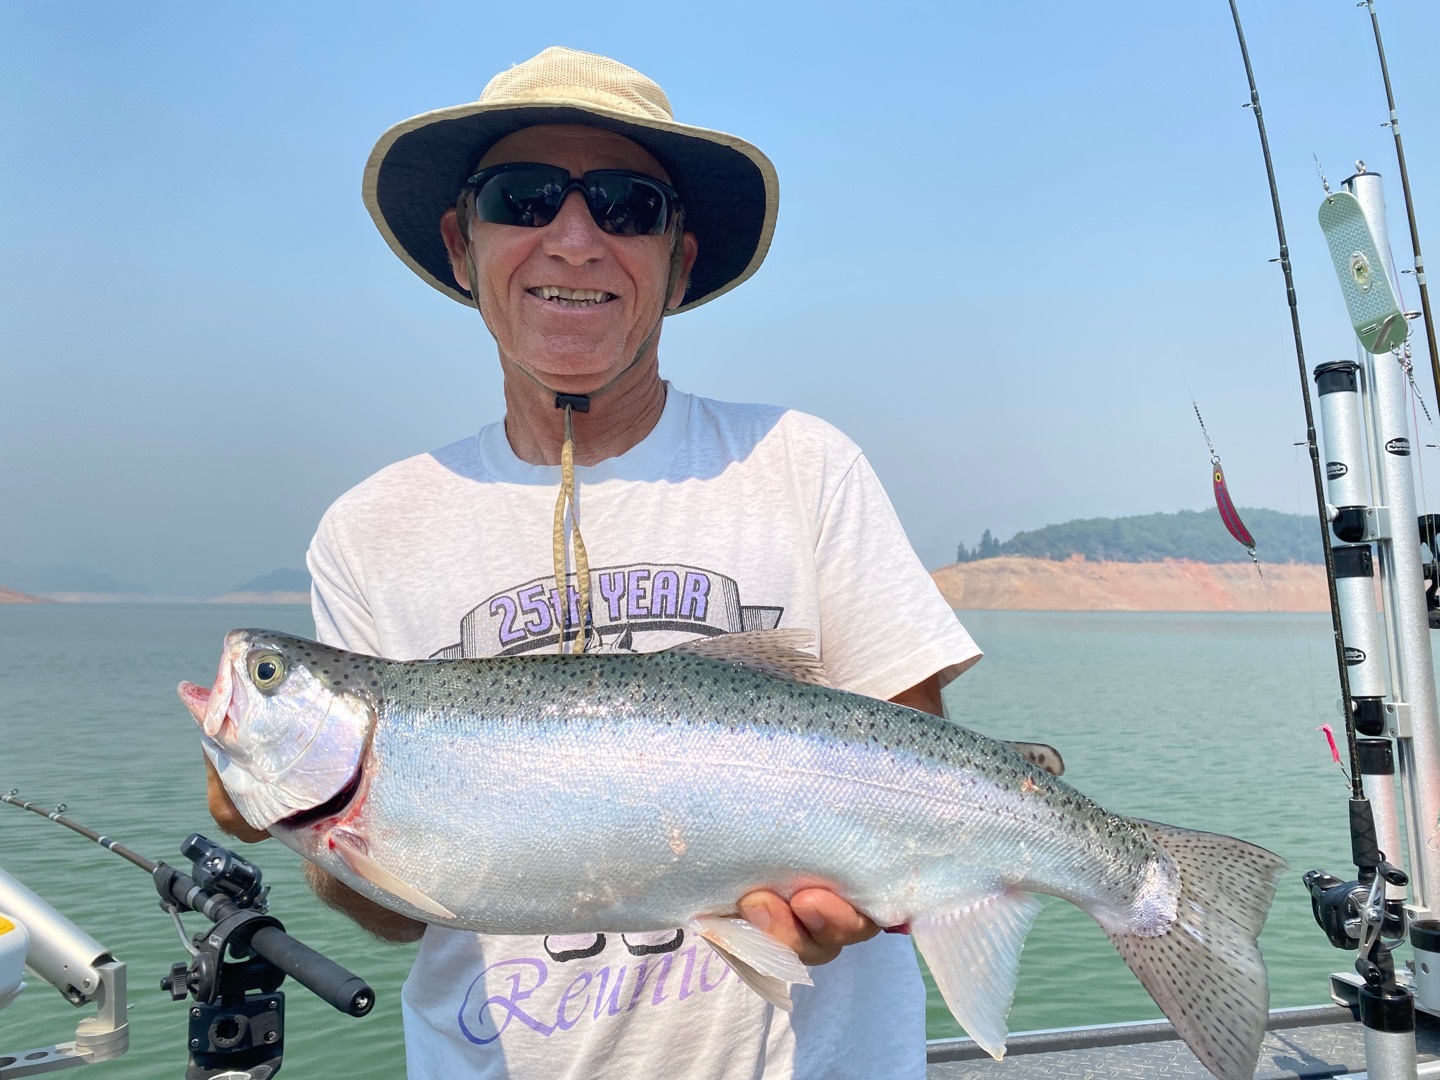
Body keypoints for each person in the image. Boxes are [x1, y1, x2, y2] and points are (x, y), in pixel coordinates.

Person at [207, 46, 981, 1079]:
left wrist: (866, 897)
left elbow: (919, 773)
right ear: (461, 243)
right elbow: (395, 923)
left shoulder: (803, 465)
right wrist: (303, 823)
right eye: (523, 198)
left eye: (625, 206)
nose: (573, 239)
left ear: (679, 257)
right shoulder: (368, 529)